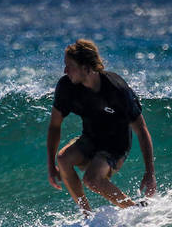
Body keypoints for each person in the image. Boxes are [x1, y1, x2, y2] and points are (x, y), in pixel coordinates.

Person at [47, 39, 156, 213]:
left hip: (116, 145)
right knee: (63, 158)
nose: (65, 70)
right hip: (90, 138)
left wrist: (149, 173)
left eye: (70, 66)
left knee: (92, 179)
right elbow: (54, 126)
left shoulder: (116, 89)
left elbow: (141, 130)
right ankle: (86, 215)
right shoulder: (67, 87)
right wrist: (51, 165)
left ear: (86, 68)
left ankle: (134, 211)